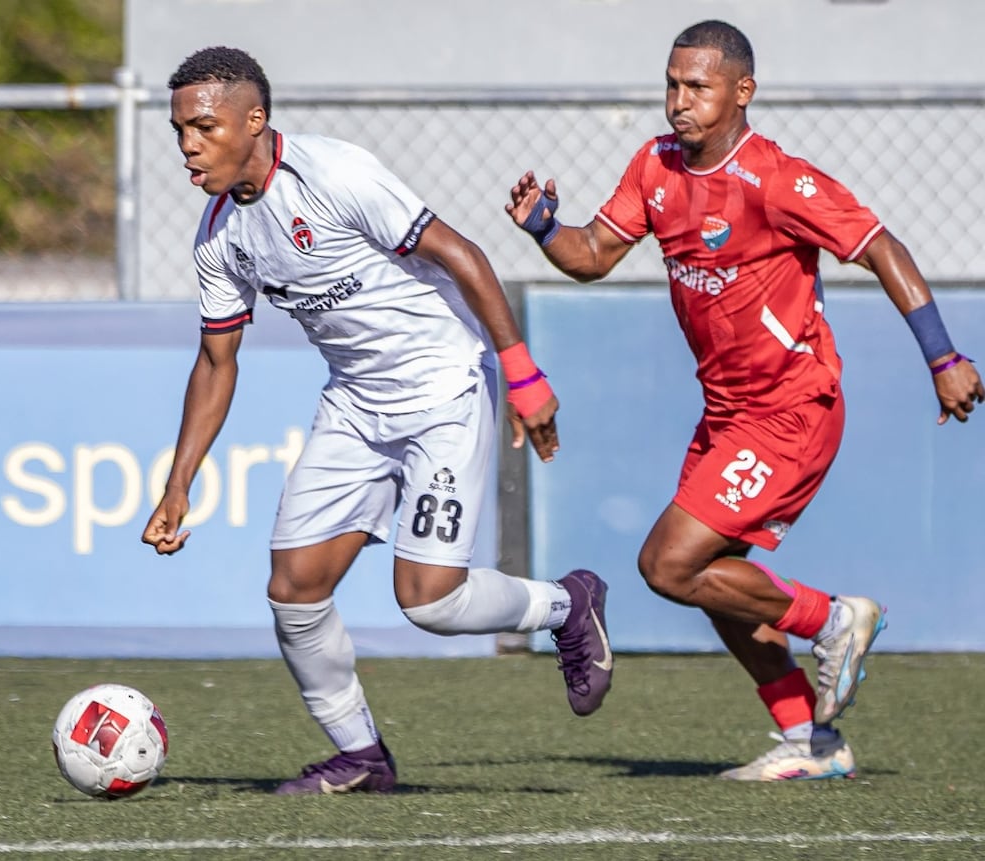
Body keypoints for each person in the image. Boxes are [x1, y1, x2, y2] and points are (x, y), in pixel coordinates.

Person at [507, 20, 984, 781]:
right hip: (728, 415)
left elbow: (882, 246)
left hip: (794, 410)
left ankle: (834, 618)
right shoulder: (657, 165)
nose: (678, 102)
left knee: (667, 564)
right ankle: (812, 743)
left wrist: (944, 354)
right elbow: (593, 254)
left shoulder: (777, 179)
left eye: (696, 86)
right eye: (671, 84)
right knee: (719, 587)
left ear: (741, 92)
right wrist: (542, 229)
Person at [142, 46, 614, 796]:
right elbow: (215, 363)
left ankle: (567, 602)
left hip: (442, 391)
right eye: (179, 132)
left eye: (203, 127)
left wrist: (521, 372)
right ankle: (361, 756)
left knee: (429, 600)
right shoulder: (218, 236)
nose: (188, 146)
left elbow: (463, 254)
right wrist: (177, 485)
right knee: (293, 586)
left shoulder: (334, 175)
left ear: (254, 120)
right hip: (356, 406)